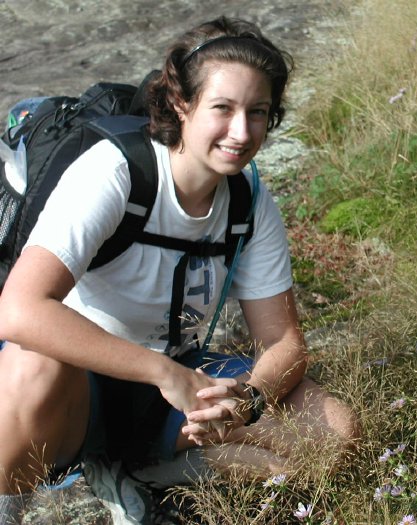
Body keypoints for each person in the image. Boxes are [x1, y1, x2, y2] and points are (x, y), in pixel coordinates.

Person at [0, 16, 359, 525]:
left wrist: (249, 401)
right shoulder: (115, 172)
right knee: (32, 361)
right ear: (180, 104)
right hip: (78, 386)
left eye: (258, 113)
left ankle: (140, 476)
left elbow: (284, 343)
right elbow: (18, 312)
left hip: (175, 385)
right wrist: (164, 374)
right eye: (223, 108)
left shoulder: (248, 200)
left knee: (334, 437)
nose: (242, 132)